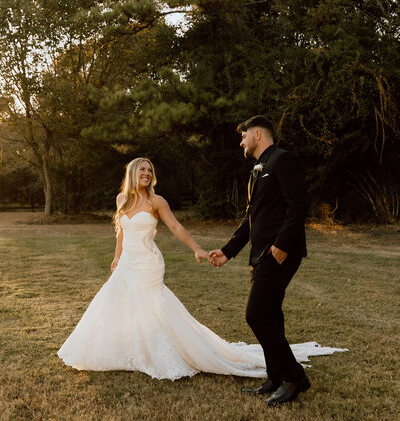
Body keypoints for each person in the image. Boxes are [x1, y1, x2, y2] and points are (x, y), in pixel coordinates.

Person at [58, 156, 345, 380]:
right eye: (142, 170)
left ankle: (170, 352)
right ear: (132, 173)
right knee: (117, 303)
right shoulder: (122, 200)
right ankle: (127, 350)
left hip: (148, 263)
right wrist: (116, 256)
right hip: (127, 262)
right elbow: (121, 231)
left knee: (154, 307)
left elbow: (175, 226)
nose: (146, 174)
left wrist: (196, 248)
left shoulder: (156, 201)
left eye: (149, 170)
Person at [209, 115, 311, 406]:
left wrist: (281, 245)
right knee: (271, 315)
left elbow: (299, 204)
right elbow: (250, 220)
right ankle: (276, 376)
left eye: (243, 136)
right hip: (260, 254)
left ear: (257, 134)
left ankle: (294, 377)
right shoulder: (256, 170)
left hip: (278, 253)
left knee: (256, 315)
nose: (241, 141)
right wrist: (228, 251)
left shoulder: (282, 159)